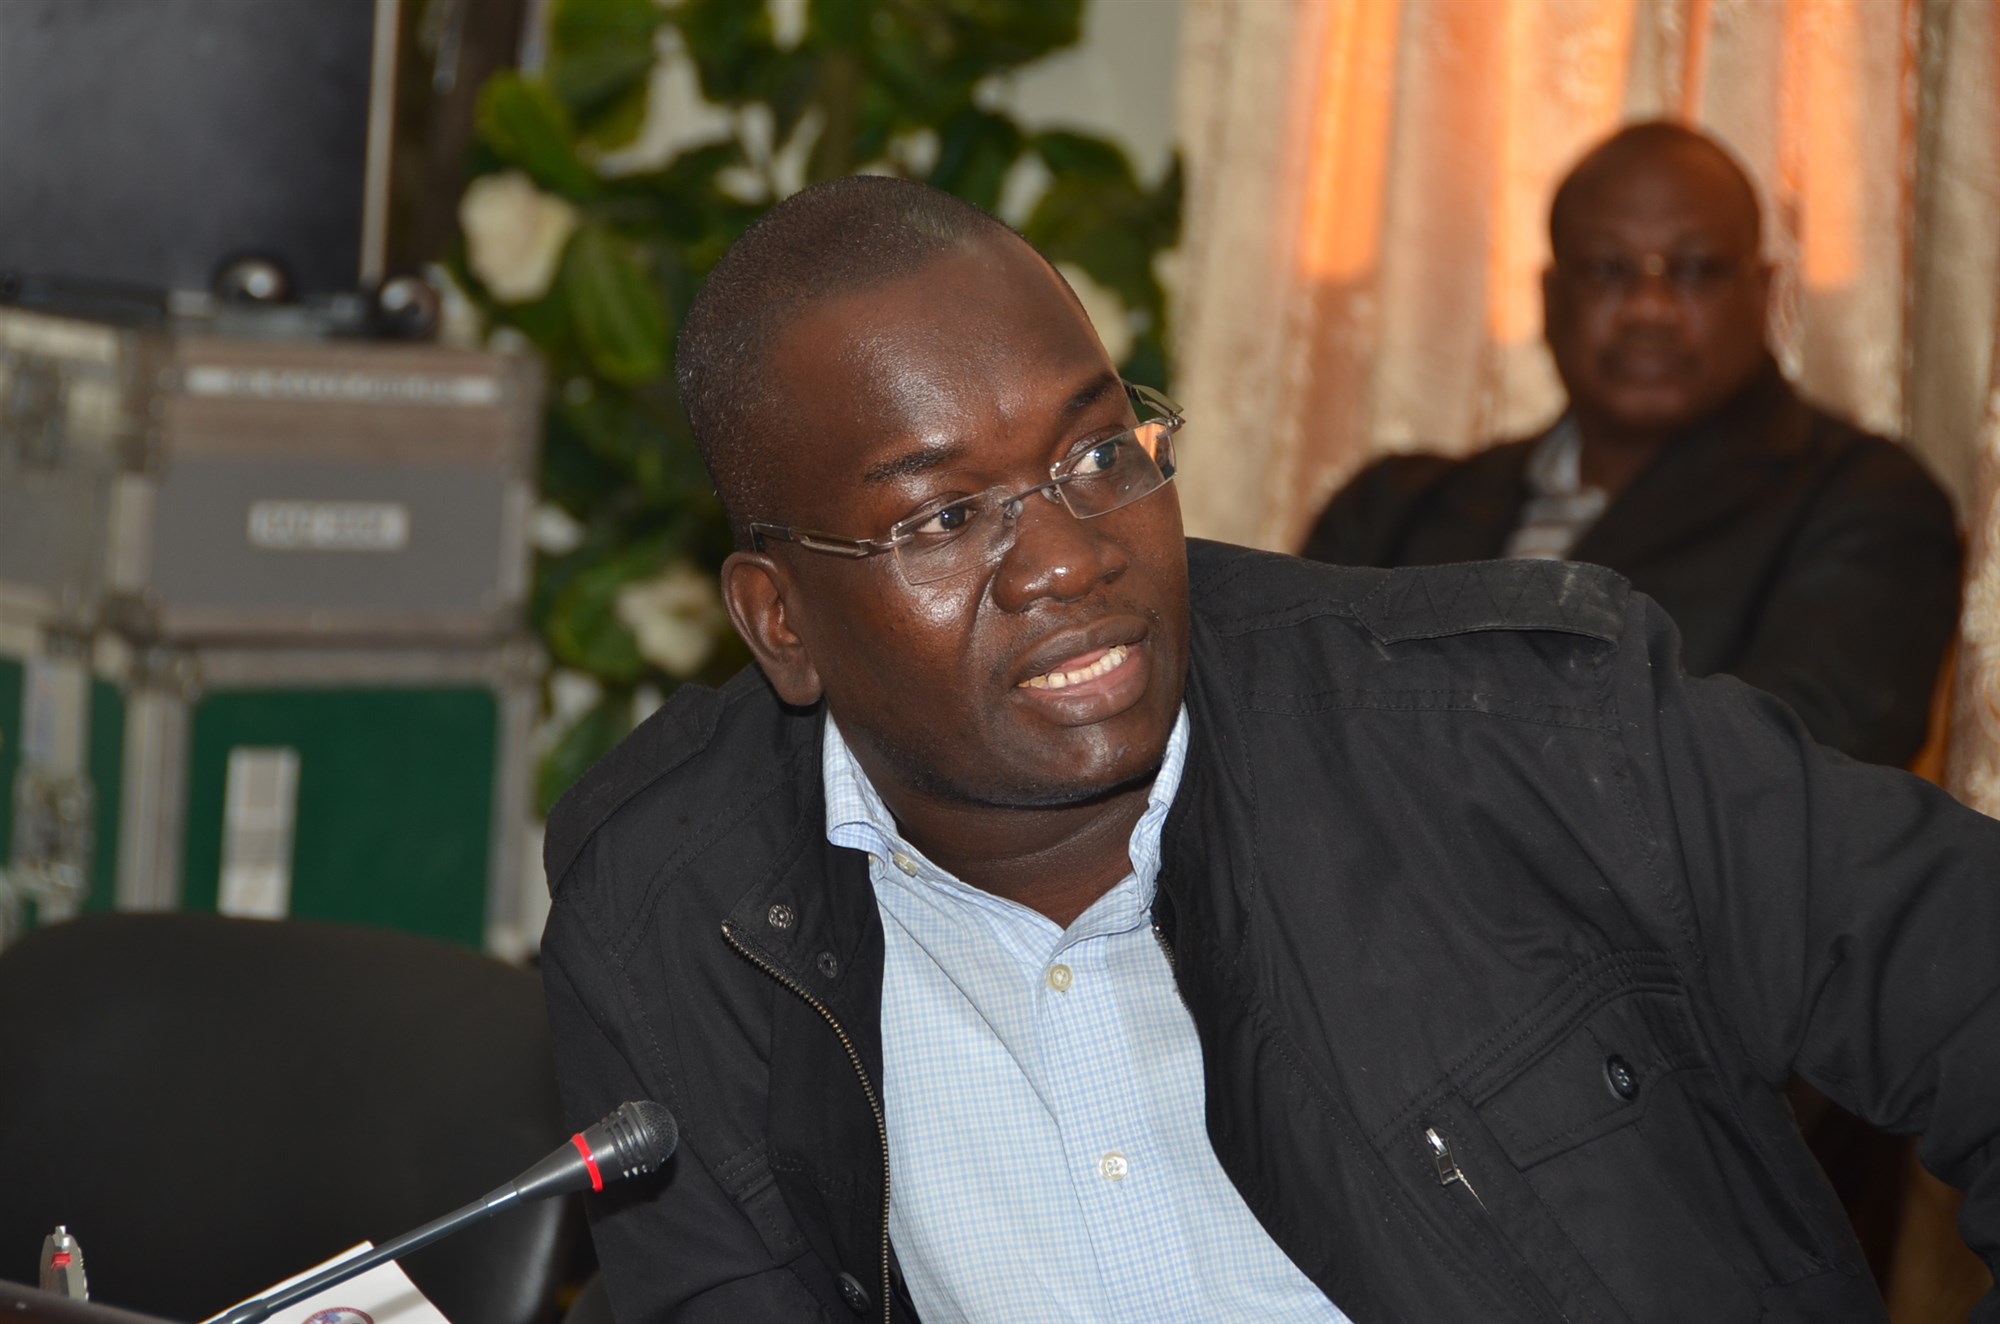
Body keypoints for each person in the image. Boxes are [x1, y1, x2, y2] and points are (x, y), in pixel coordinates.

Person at [539, 175, 2000, 1322]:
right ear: (778, 619)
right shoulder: (672, 905)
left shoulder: (1526, 733)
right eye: (942, 518)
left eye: (1097, 456)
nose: (1066, 558)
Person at [1300, 121, 1962, 769]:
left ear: (1762, 294)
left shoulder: (1864, 501)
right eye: (1608, 268)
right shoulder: (1391, 508)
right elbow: (1282, 730)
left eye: (1697, 269)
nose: (1650, 309)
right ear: (1551, 299)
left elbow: (1784, 773)